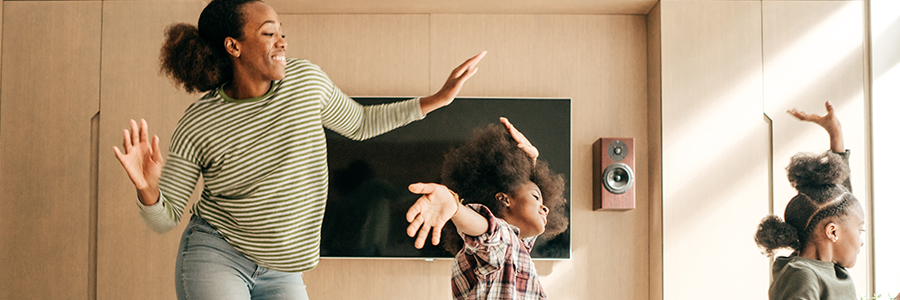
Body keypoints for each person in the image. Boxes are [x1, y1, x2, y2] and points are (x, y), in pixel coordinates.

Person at [111, 0, 486, 299]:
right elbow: (164, 218)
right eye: (269, 33)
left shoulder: (305, 82)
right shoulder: (200, 122)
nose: (282, 42)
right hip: (218, 256)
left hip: (284, 272)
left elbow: (360, 122)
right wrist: (147, 188)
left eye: (282, 33)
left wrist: (437, 99)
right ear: (233, 46)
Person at [754, 101, 900, 300]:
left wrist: (835, 132)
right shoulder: (802, 275)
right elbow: (840, 209)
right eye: (860, 229)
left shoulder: (824, 268)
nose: (861, 241)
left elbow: (839, 201)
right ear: (832, 232)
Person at [405, 118, 567, 300]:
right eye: (536, 197)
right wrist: (455, 207)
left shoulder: (516, 247)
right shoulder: (502, 243)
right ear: (504, 199)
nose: (544, 207)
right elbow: (487, 230)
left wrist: (532, 161)